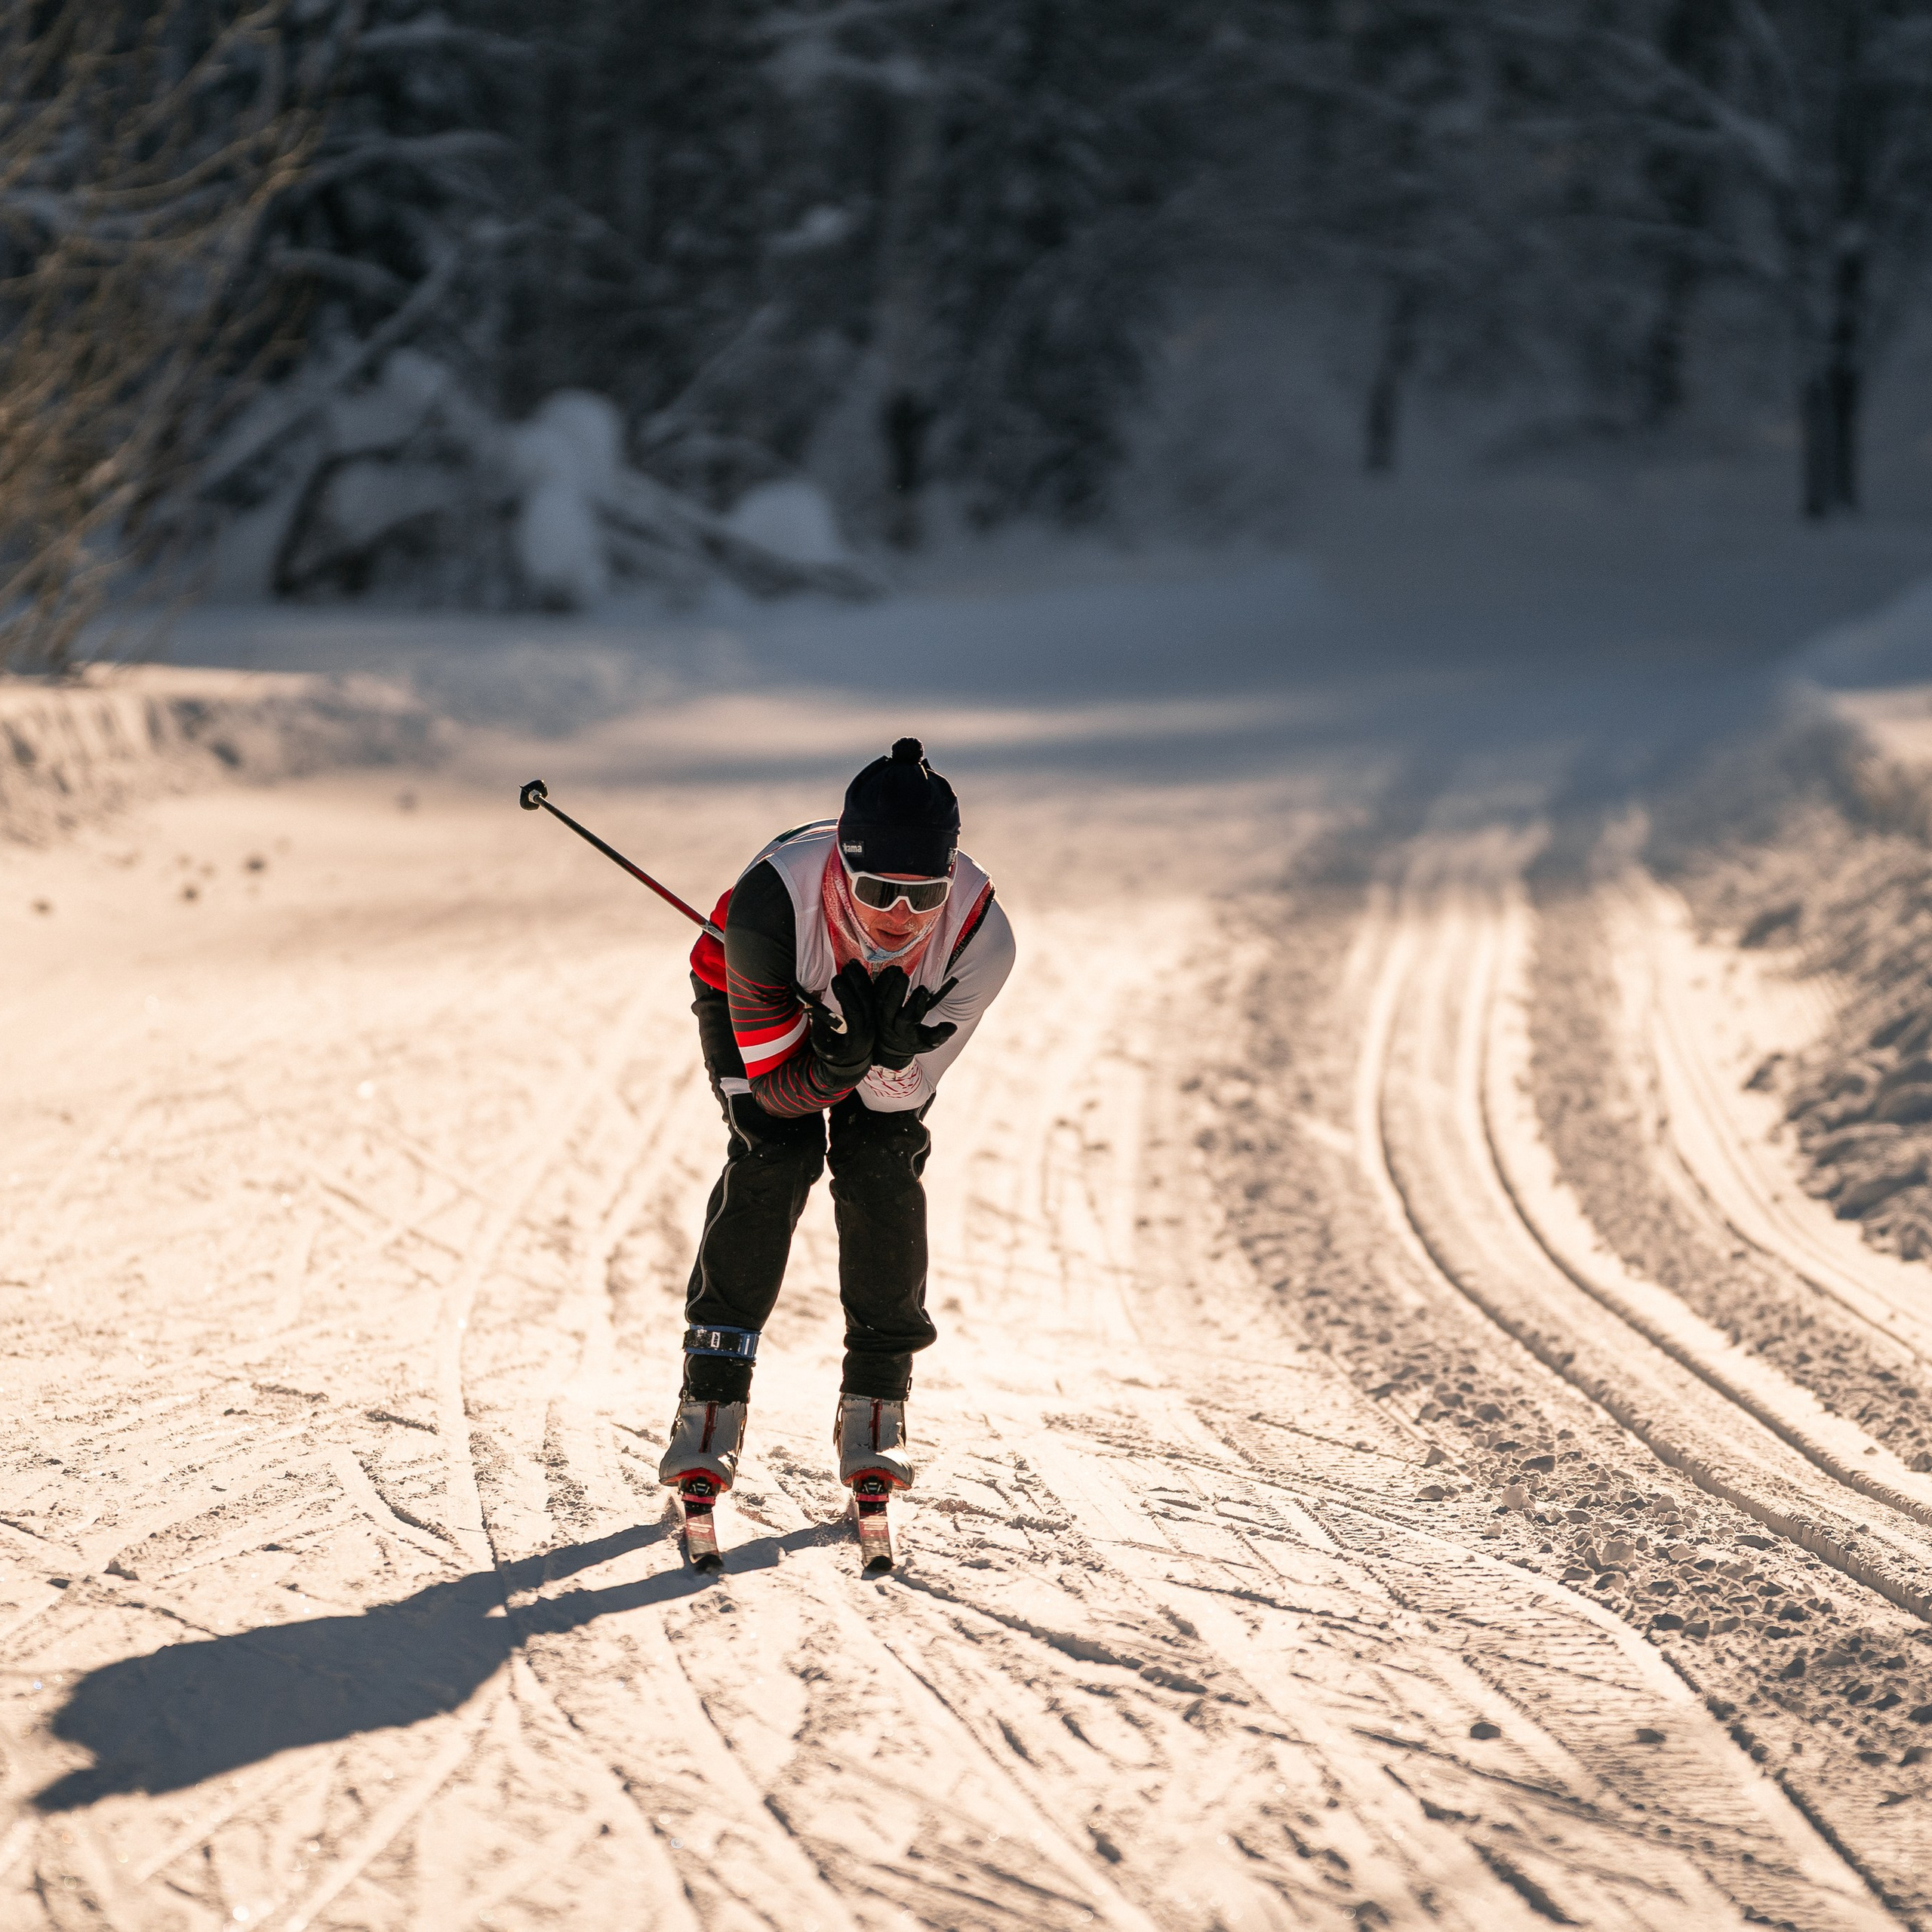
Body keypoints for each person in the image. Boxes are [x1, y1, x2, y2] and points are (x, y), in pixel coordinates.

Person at [658, 738, 1016, 1503]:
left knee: (881, 1161)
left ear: (950, 879)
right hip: (751, 984)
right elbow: (782, 1096)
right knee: (775, 1154)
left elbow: (891, 1104)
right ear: (841, 871)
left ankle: (877, 1404)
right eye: (877, 888)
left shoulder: (981, 940)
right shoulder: (768, 908)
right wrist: (831, 1067)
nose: (900, 916)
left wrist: (877, 1059)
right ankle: (711, 1399)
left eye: (922, 895)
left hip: (855, 1041)